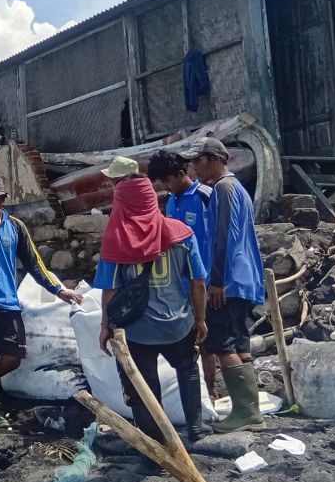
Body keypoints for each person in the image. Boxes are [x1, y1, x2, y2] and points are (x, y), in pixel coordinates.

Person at [0, 175, 83, 428]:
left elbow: (34, 263)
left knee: (12, 359)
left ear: (2, 199)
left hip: (8, 302)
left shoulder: (16, 227)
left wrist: (58, 290)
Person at [94, 156, 211, 444]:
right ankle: (196, 428)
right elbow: (198, 282)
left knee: (143, 384)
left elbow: (109, 291)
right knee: (187, 367)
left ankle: (156, 443)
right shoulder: (182, 234)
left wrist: (105, 326)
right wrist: (199, 319)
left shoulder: (115, 239)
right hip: (179, 325)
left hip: (138, 331)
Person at [178, 137, 267, 433]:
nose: (194, 168)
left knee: (221, 342)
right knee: (239, 342)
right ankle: (250, 410)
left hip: (228, 279)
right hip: (243, 278)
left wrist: (215, 281)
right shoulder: (236, 187)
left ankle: (246, 413)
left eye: (198, 161)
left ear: (215, 158)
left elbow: (223, 236)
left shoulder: (223, 188)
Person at [148, 149, 219, 400]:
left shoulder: (206, 196)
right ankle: (194, 395)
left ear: (181, 174)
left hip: (206, 281)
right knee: (189, 342)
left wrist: (216, 281)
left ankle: (210, 391)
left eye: (167, 181)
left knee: (208, 341)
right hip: (179, 285)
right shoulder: (172, 200)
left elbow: (217, 240)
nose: (166, 187)